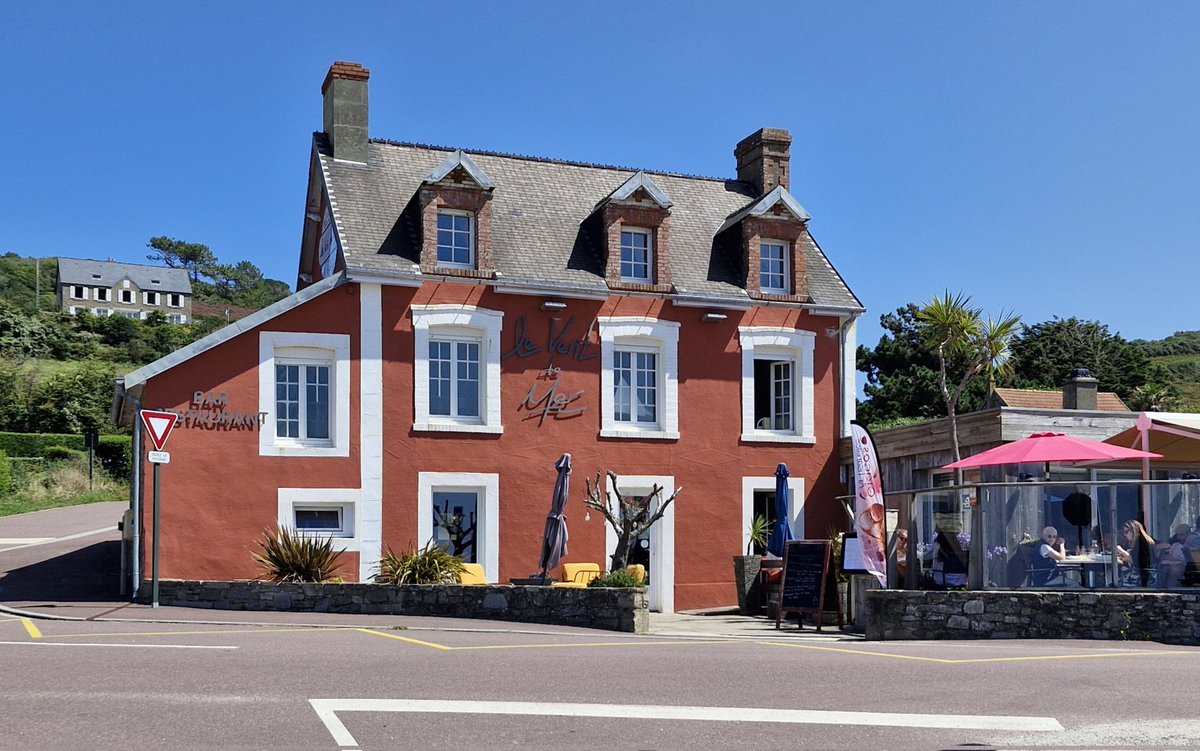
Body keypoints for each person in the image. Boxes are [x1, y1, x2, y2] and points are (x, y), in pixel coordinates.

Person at [1116, 519, 1155, 587]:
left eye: (1126, 532)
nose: (1125, 535)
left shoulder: (1140, 542)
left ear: (1134, 531)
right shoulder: (1145, 540)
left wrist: (1119, 549)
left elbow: (1132, 559)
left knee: (1116, 581)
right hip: (1149, 573)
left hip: (1141, 574)